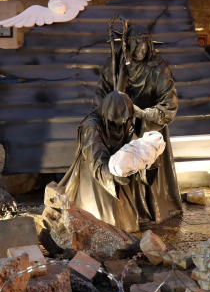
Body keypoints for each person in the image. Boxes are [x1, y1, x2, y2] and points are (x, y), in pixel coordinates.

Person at [95, 18, 183, 223]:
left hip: (149, 127)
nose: (142, 49)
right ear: (128, 45)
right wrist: (111, 111)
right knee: (121, 166)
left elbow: (169, 105)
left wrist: (140, 113)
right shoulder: (115, 65)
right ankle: (125, 211)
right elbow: (100, 93)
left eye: (145, 44)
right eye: (137, 44)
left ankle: (149, 210)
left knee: (146, 167)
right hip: (120, 126)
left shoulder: (159, 67)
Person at [58, 91, 145, 231]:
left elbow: (131, 139)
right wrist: (113, 176)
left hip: (118, 167)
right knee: (104, 217)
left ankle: (124, 230)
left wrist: (139, 155)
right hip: (95, 171)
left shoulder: (125, 121)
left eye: (124, 120)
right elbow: (95, 158)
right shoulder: (91, 126)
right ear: (108, 114)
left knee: (126, 219)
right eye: (116, 120)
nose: (121, 124)